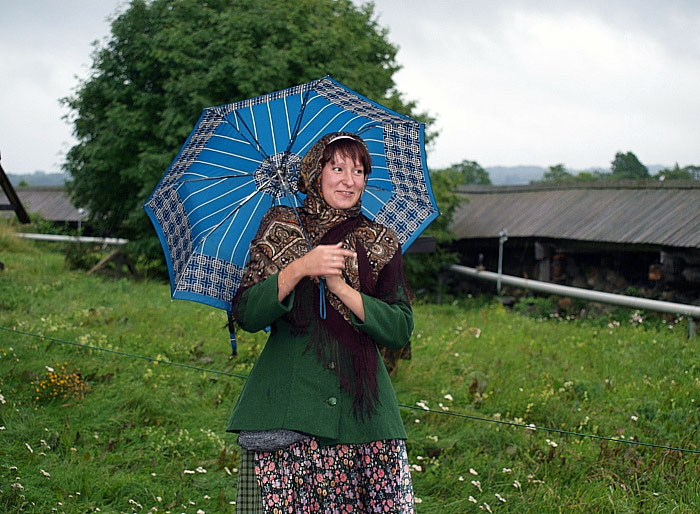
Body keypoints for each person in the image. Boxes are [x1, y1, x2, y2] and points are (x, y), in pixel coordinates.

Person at [227, 132, 415, 513]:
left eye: (359, 171)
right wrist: (299, 268)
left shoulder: (380, 241)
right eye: (338, 168)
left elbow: (399, 329)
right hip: (289, 410)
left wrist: (341, 288)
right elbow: (246, 313)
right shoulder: (282, 227)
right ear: (316, 172)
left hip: (365, 417)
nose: (349, 181)